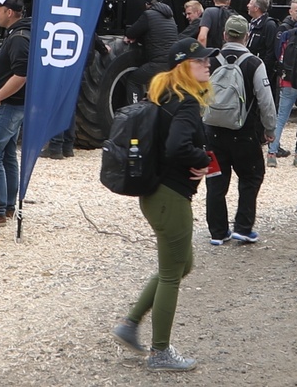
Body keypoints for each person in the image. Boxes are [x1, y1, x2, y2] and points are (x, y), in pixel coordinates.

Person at [111, 37, 214, 372]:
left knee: (182, 265)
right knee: (173, 273)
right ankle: (160, 353)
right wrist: (201, 159)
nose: (208, 65)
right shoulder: (184, 102)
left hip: (157, 194)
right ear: (185, 66)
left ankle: (130, 324)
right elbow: (177, 147)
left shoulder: (164, 95)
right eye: (201, 61)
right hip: (169, 196)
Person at [204, 15, 276, 245]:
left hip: (212, 131)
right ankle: (243, 227)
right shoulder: (254, 63)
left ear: (225, 35)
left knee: (215, 181)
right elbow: (266, 101)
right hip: (244, 132)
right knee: (251, 177)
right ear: (246, 37)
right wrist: (270, 129)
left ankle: (218, 232)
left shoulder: (211, 59)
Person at [0, 0, 30, 225]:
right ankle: (8, 206)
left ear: (9, 12)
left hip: (8, 106)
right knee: (8, 154)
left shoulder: (19, 38)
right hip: (13, 106)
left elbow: (22, 74)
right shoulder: (19, 33)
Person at [269, 5, 297, 167]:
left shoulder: (286, 35)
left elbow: (279, 55)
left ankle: (272, 152)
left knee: (281, 118)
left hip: (287, 80)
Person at [123, 0, 178, 102]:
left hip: (158, 64)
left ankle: (134, 111)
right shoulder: (171, 17)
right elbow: (157, 35)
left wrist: (132, 37)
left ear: (147, 4)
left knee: (134, 80)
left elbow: (131, 32)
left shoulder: (148, 15)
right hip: (173, 64)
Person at [246, 0, 279, 92]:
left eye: (250, 3)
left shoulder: (269, 25)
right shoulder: (252, 24)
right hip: (250, 68)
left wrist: (264, 72)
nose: (247, 5)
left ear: (256, 8)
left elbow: (271, 51)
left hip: (261, 70)